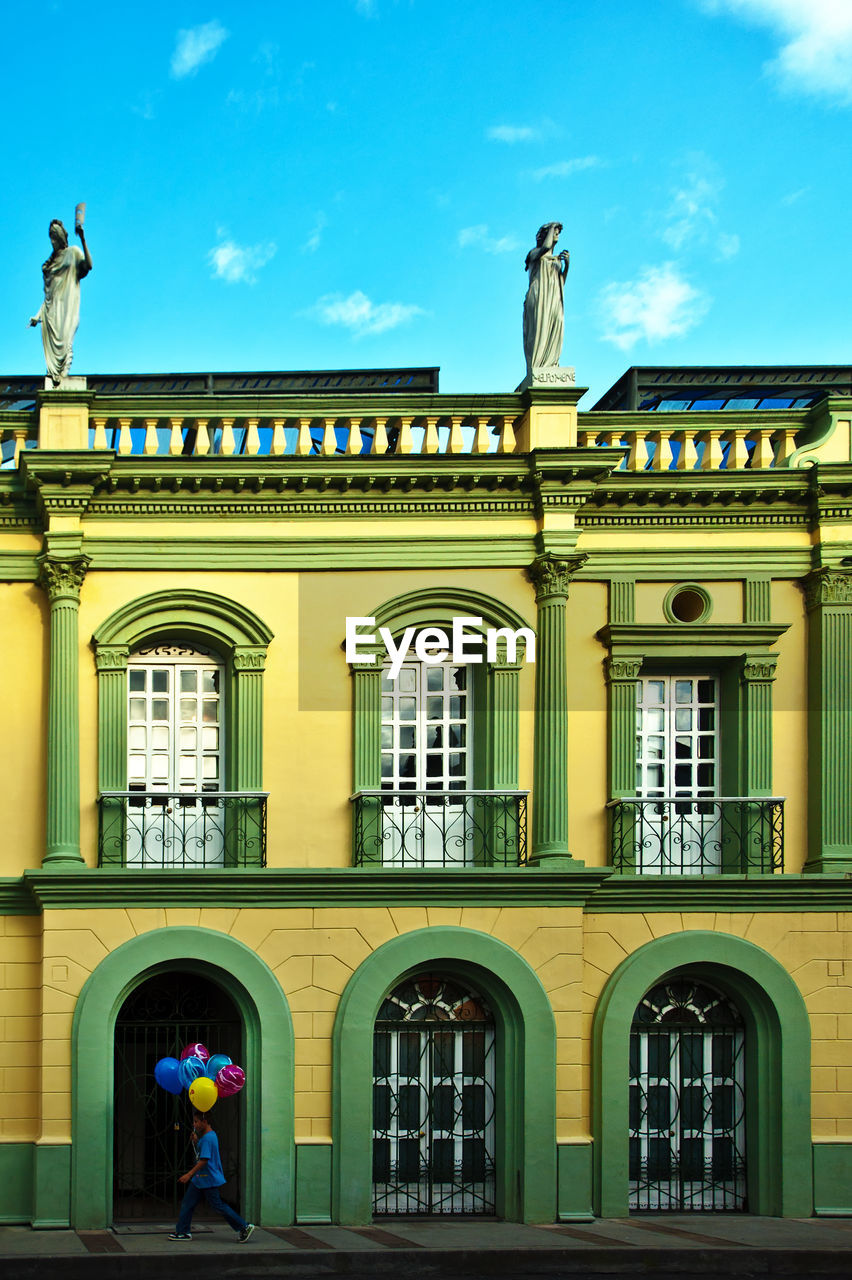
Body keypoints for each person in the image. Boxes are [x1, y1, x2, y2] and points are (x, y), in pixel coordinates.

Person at [168, 1111, 255, 1243]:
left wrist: (189, 1174)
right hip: (201, 1179)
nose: (194, 1124)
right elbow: (204, 1153)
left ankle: (244, 1226)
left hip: (207, 1178)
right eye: (194, 1121)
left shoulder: (208, 1138)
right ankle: (183, 1232)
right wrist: (197, 1141)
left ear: (204, 1122)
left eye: (196, 1121)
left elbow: (204, 1159)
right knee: (188, 1203)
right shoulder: (208, 1136)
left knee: (217, 1205)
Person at [28, 217, 92, 386]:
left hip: (68, 307)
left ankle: (62, 379)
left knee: (67, 342)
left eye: (56, 234)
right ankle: (57, 382)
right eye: (51, 236)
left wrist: (83, 239)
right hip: (52, 312)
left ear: (63, 236)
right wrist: (37, 316)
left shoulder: (73, 252)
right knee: (53, 355)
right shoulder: (49, 266)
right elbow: (48, 297)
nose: (53, 239)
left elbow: (89, 265)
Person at [522, 221, 569, 376]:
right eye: (554, 231)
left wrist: (566, 266)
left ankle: (551, 364)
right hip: (539, 296)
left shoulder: (557, 260)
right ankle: (538, 366)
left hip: (553, 297)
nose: (556, 234)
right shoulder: (534, 253)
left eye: (557, 232)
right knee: (539, 328)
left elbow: (560, 282)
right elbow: (546, 248)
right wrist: (552, 225)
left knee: (556, 323)